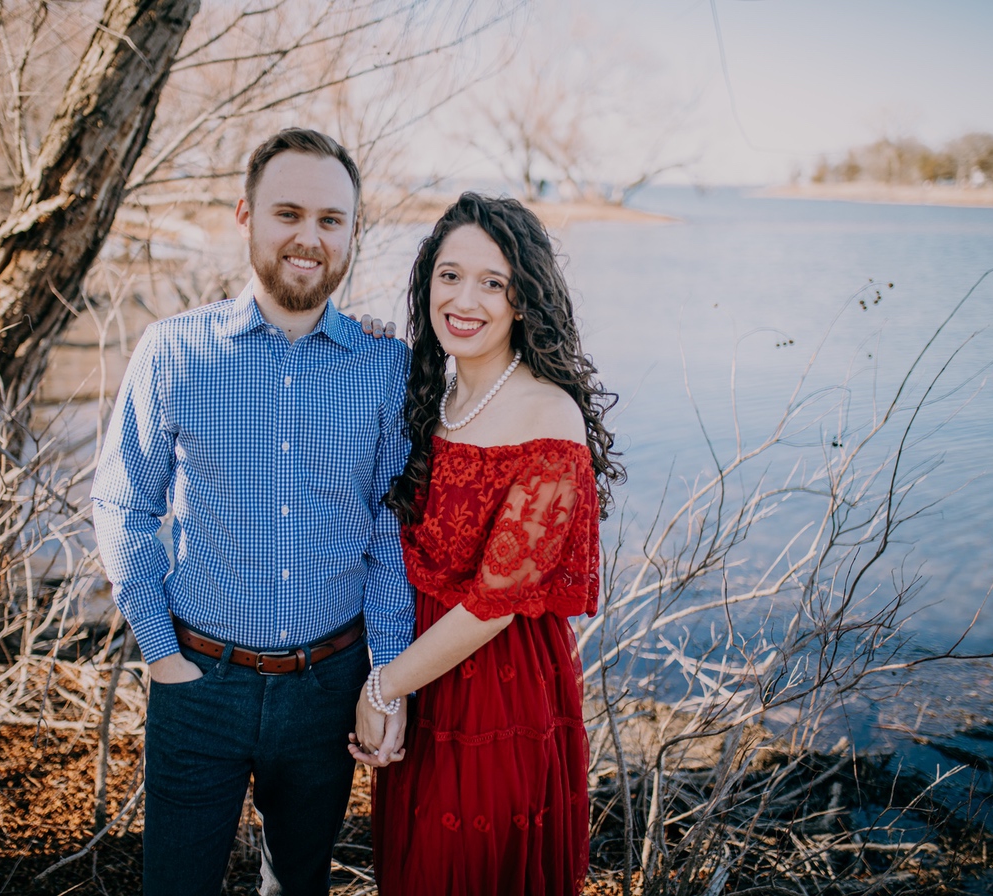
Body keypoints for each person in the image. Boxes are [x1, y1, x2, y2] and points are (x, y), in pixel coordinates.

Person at [91, 128, 412, 896]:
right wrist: (160, 650)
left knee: (297, 886)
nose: (310, 237)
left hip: (327, 686)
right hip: (199, 681)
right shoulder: (173, 351)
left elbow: (390, 532)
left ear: (353, 234)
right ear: (245, 216)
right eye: (288, 213)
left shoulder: (388, 366)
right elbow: (122, 501)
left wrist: (386, 683)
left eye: (331, 220)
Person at [348, 193, 624, 895]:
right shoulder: (428, 394)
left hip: (499, 693)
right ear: (426, 285)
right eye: (449, 275)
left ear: (524, 300)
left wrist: (382, 687)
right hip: (420, 672)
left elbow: (495, 604)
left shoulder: (547, 415)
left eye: (492, 283)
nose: (464, 299)